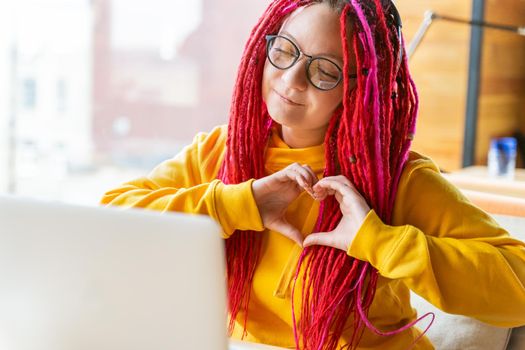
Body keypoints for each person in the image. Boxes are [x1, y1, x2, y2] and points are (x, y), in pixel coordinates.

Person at [101, 0, 525, 349]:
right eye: (284, 50)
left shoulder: (401, 180)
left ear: (360, 89)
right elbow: (112, 219)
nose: (291, 79)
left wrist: (379, 242)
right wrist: (237, 204)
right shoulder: (218, 151)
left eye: (325, 70)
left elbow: (518, 286)